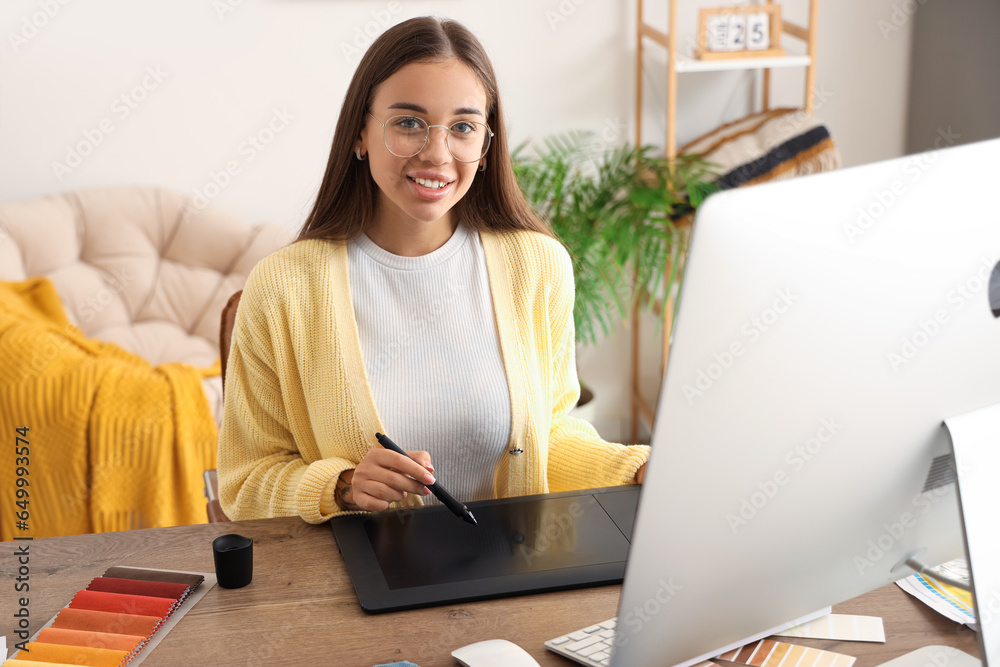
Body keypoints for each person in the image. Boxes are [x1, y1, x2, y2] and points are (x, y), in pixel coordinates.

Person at [218, 16, 649, 523]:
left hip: (510, 573)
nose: (437, 154)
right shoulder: (284, 287)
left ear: (486, 146)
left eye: (463, 127)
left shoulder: (537, 265)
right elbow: (244, 485)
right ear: (360, 133)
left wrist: (637, 469)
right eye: (408, 123)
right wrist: (342, 486)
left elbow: (549, 435)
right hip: (355, 585)